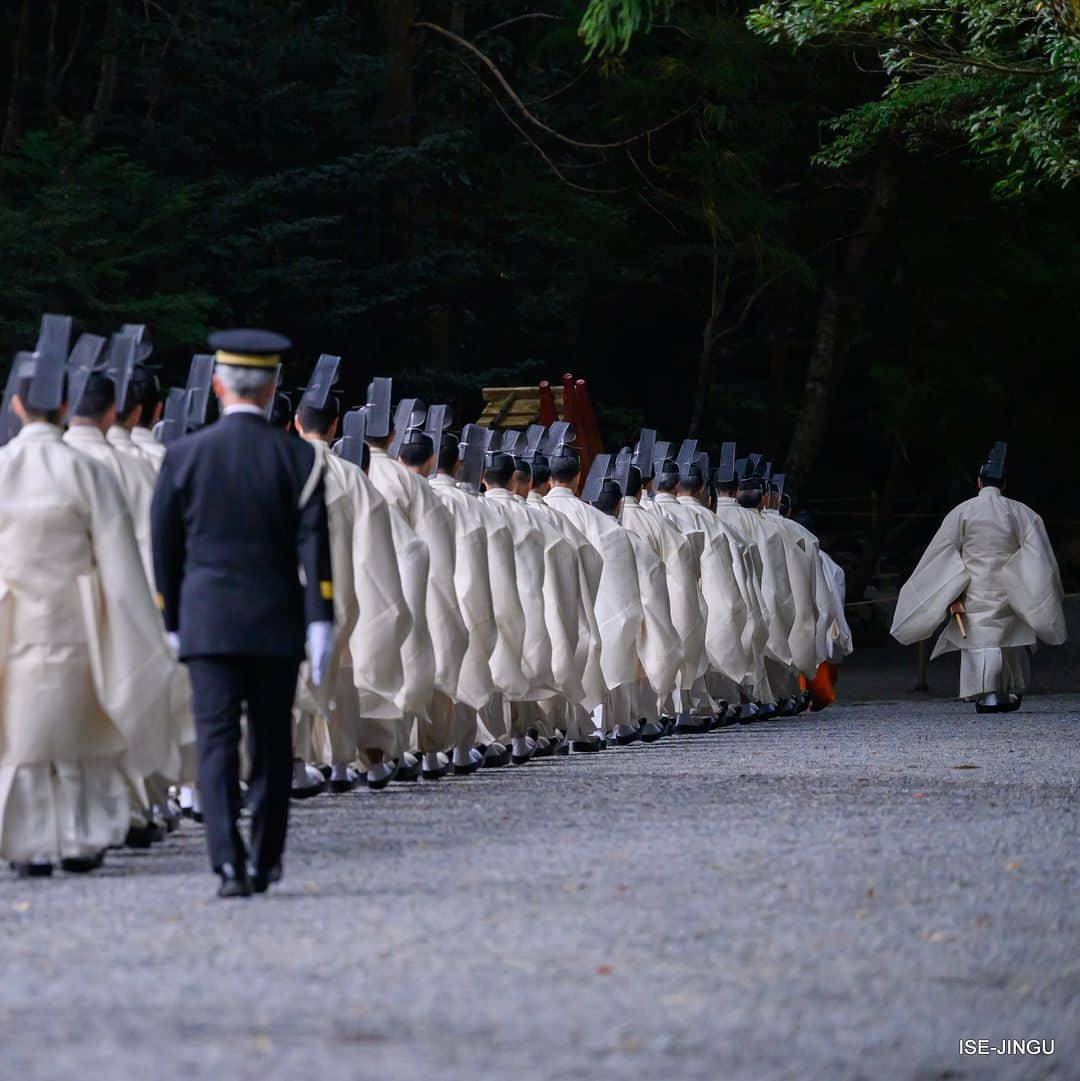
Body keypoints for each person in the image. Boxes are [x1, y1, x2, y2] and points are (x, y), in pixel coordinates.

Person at [150, 329, 334, 898]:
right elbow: (314, 546)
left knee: (216, 739)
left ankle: (227, 862)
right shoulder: (297, 455)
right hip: (276, 618)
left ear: (216, 385)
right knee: (274, 742)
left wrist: (172, 617)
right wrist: (320, 615)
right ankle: (265, 858)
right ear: (273, 385)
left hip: (207, 619)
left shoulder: (183, 455)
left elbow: (164, 547)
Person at [0, 342, 173, 876]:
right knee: (80, 731)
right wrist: (142, 632)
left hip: (9, 615)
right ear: (66, 402)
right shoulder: (87, 471)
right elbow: (121, 561)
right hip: (76, 616)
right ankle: (79, 836)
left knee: (20, 733)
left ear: (16, 405)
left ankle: (26, 843)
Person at [891, 443, 1066, 711]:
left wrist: (949, 582)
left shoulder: (962, 512)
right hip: (1011, 585)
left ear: (978, 483)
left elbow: (941, 552)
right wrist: (1032, 582)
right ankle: (1009, 690)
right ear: (1004, 484)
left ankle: (987, 693)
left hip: (974, 585)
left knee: (981, 640)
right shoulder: (1022, 512)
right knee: (1008, 639)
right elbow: (1039, 554)